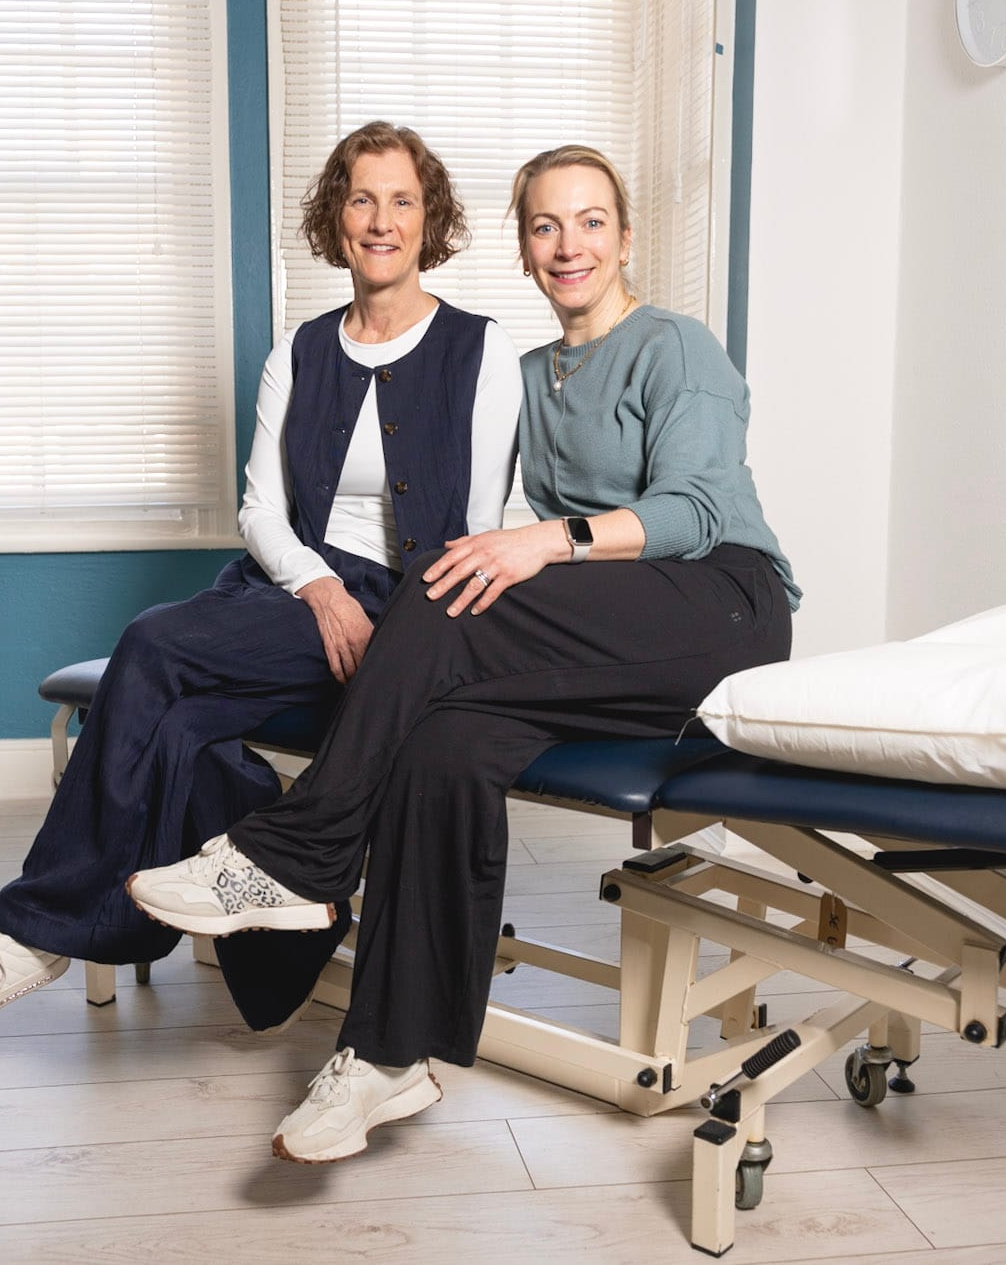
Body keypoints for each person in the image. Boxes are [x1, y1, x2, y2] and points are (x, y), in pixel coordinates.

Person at [127, 144, 800, 1163]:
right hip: (608, 632)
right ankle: (391, 1057)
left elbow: (695, 507)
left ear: (625, 238)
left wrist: (544, 541)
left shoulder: (674, 346)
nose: (567, 244)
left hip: (721, 603)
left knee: (445, 591)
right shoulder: (526, 375)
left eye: (588, 221)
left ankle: (296, 855)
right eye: (543, 225)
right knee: (442, 743)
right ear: (524, 250)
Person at [0, 123, 522, 1034]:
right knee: (176, 721)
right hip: (291, 590)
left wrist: (404, 636)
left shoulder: (481, 350)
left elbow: (480, 532)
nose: (382, 220)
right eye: (362, 198)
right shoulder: (296, 353)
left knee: (152, 657)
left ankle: (32, 931)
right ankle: (276, 932)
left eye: (403, 200)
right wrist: (317, 587)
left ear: (431, 219)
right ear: (336, 220)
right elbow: (260, 510)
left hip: (401, 606)